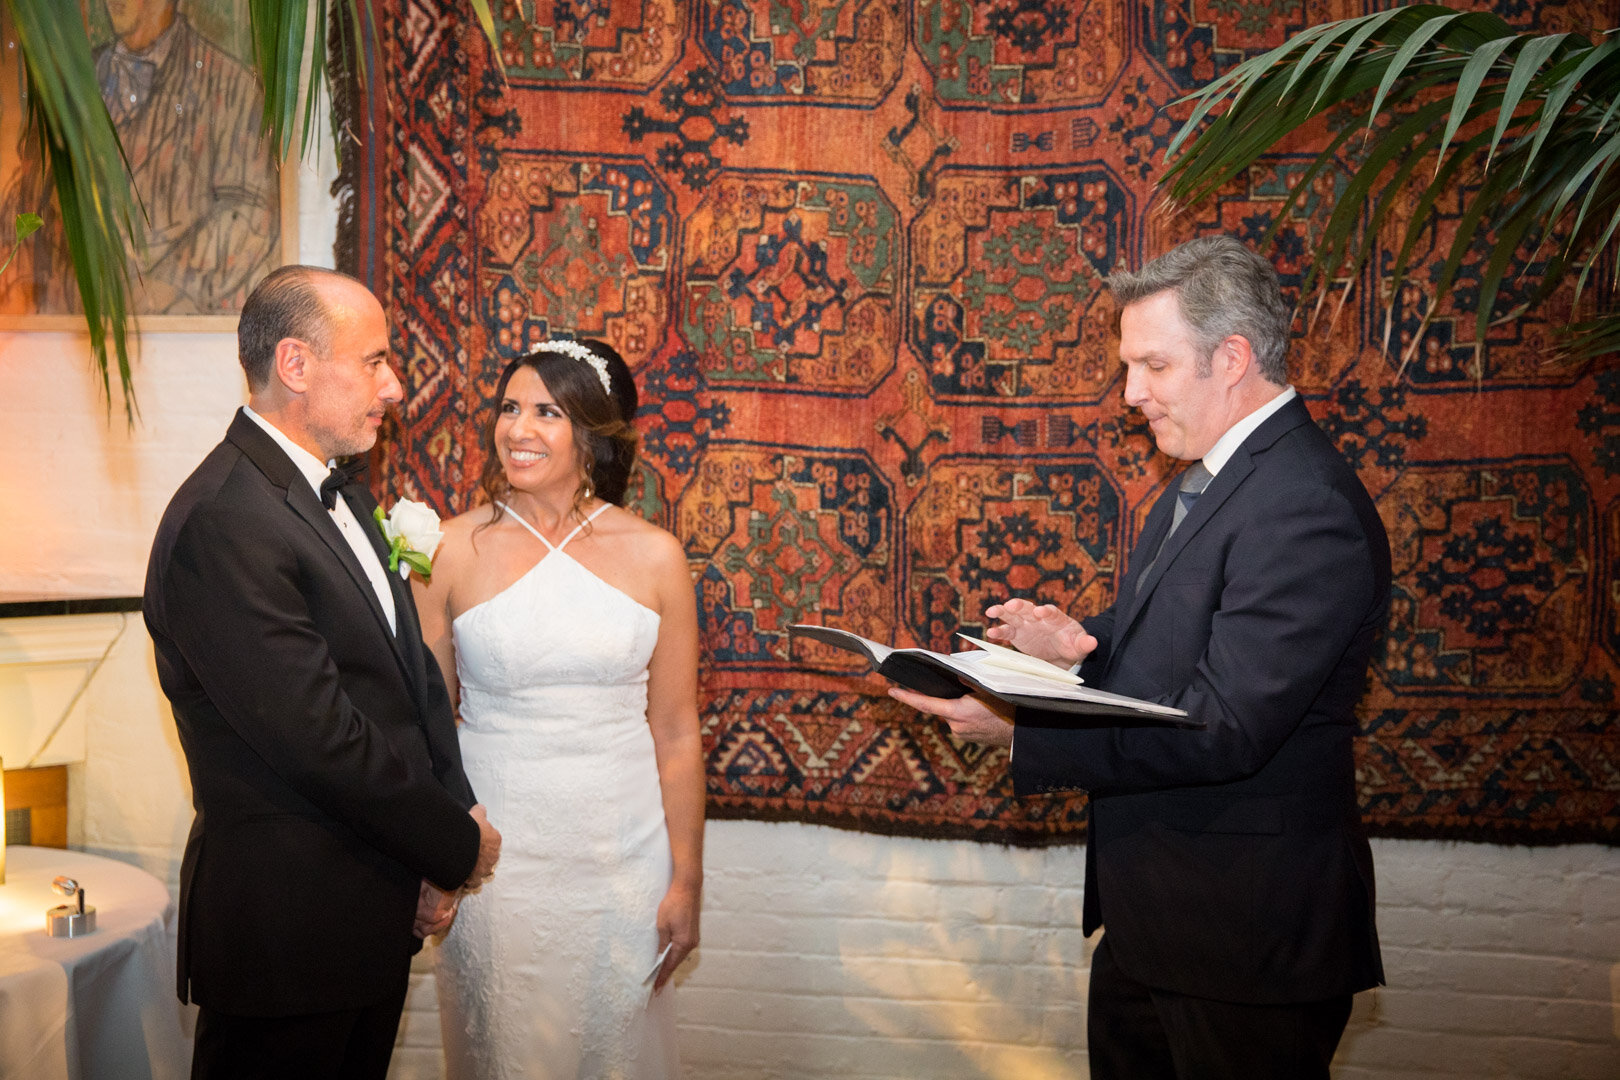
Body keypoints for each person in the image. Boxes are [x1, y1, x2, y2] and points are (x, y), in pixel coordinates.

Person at [891, 235, 1389, 1079]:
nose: (1131, 395)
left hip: (1244, 938)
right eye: (1130, 368)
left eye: (1154, 366)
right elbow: (1173, 652)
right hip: (1155, 921)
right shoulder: (1210, 474)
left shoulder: (1304, 504)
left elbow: (1223, 728)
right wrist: (1075, 650)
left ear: (1232, 358)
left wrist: (1023, 734)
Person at [143, 265, 502, 1079]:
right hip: (287, 937)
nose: (396, 386)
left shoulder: (336, 496)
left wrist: (444, 820)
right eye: (374, 361)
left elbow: (407, 679)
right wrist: (453, 844)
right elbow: (318, 735)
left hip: (365, 916)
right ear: (296, 365)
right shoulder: (225, 519)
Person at [416, 339, 704, 1078]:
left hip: (622, 859)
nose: (518, 429)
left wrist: (686, 880)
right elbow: (426, 729)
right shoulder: (449, 549)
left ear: (593, 433)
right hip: (498, 859)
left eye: (547, 412)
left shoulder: (656, 557)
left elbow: (676, 732)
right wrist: (435, 857)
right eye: (509, 408)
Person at [2, 0, 277, 314]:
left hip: (183, 329)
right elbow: (28, 198)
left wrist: (166, 285)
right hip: (70, 327)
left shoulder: (232, 87)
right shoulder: (68, 86)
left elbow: (253, 212)